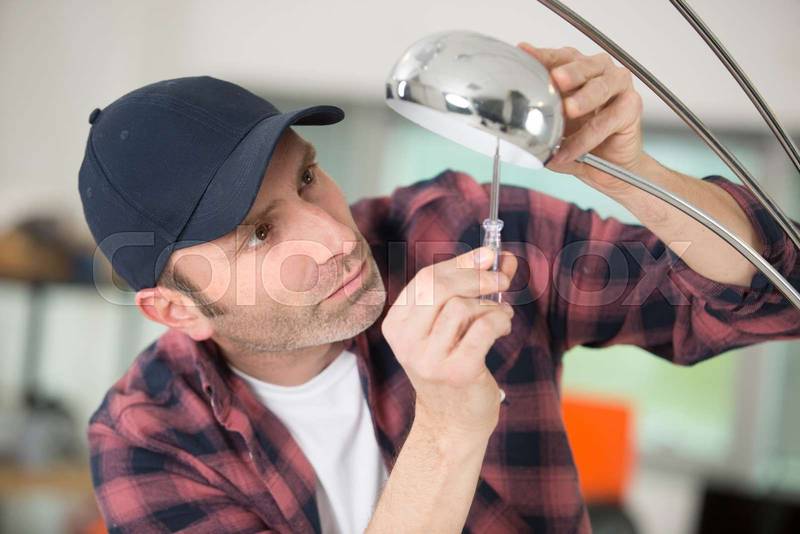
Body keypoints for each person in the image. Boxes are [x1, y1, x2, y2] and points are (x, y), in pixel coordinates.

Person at [83, 43, 800, 533]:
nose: (336, 237)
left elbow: (772, 292)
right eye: (261, 233)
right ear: (175, 309)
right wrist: (448, 427)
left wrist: (632, 172)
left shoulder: (450, 229)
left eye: (307, 178)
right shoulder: (148, 439)